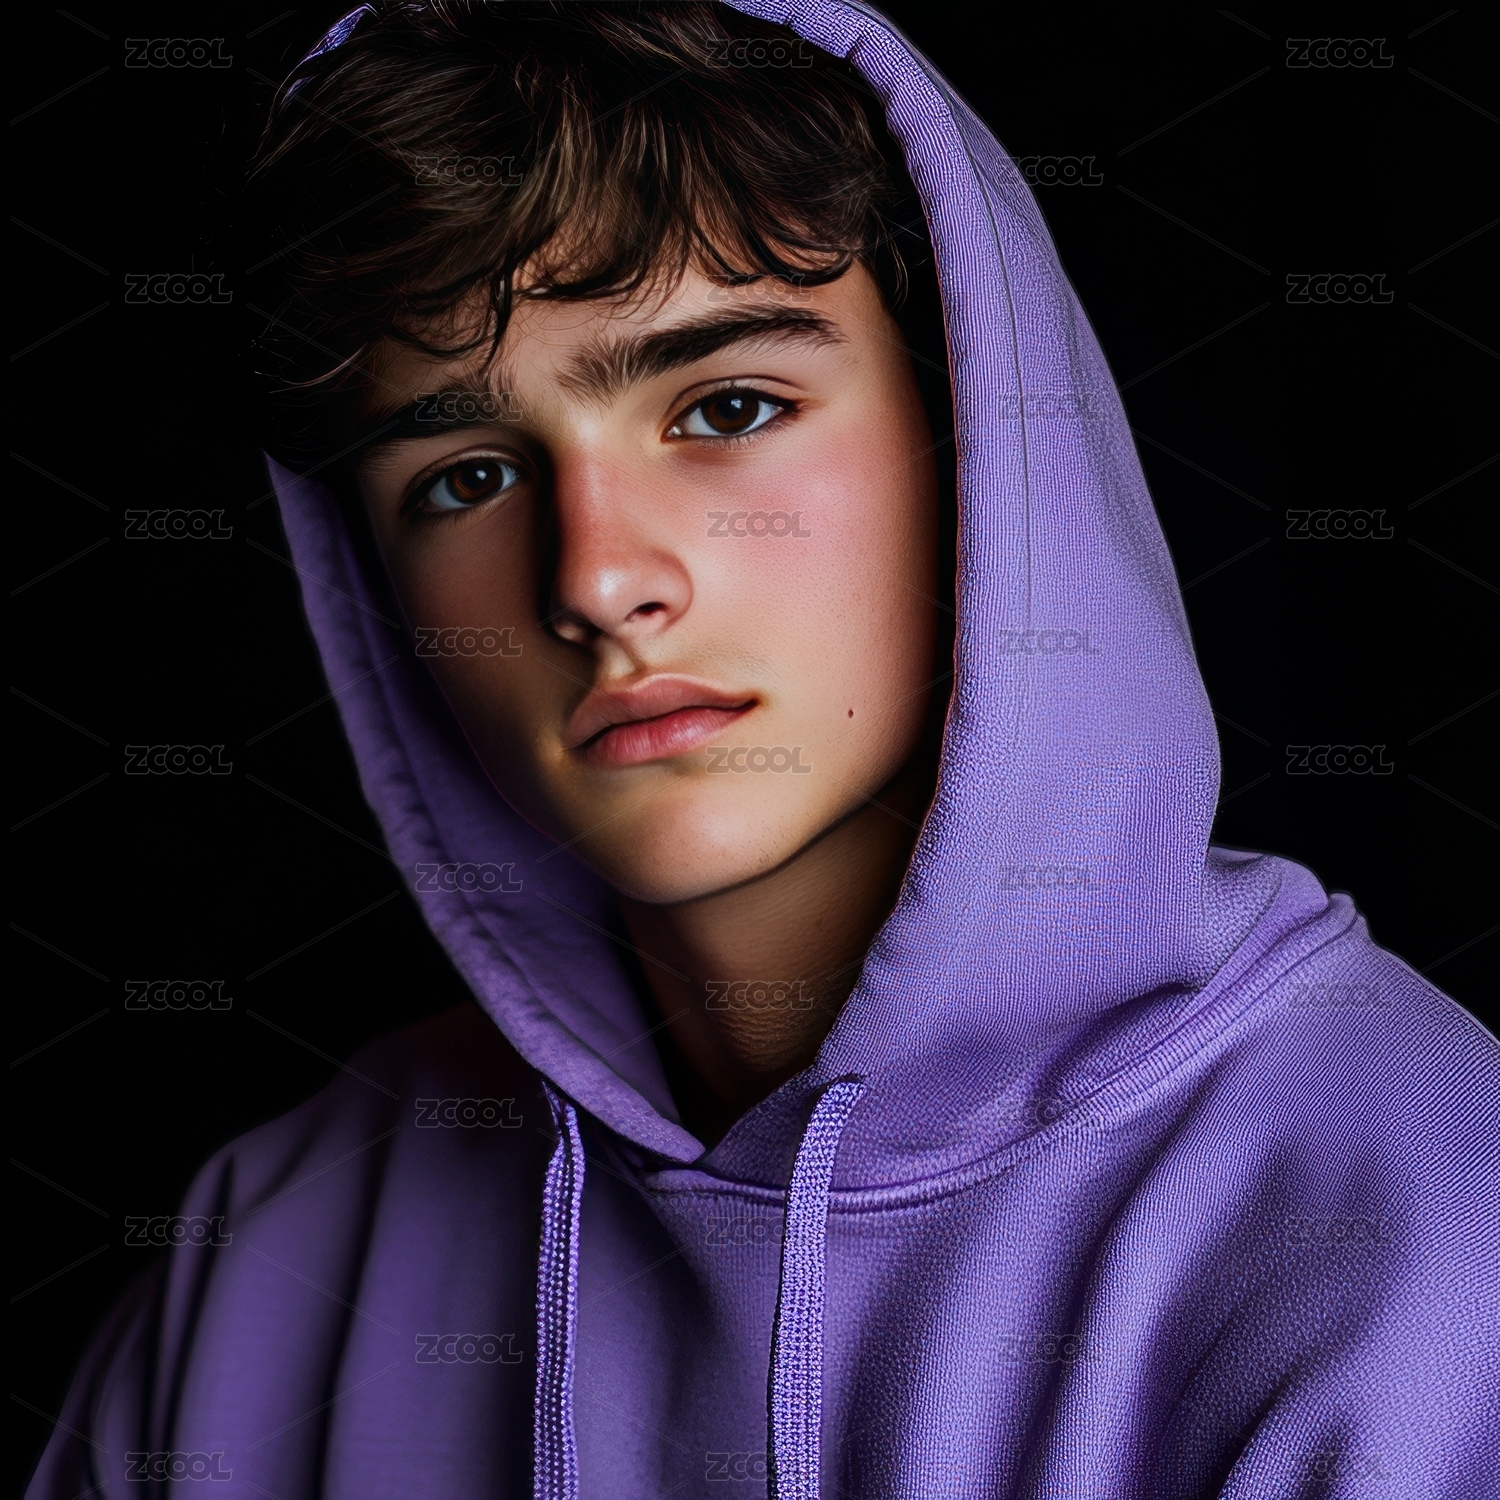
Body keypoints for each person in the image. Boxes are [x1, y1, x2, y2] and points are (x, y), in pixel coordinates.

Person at [30, 4, 1497, 1497]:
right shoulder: (276, 1251)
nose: (598, 579)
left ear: (982, 436)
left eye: (728, 408)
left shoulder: (1423, 1228)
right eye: (467, 477)